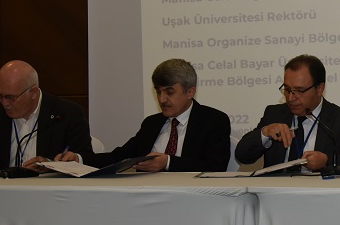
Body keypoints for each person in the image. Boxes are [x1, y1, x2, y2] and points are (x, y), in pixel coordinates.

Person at [58, 58, 230, 172]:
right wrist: (79, 159)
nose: (162, 99)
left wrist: (167, 162)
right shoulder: (152, 123)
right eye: (158, 92)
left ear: (190, 92)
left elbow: (216, 166)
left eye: (169, 92)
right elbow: (119, 157)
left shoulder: (213, 120)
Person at [0, 60, 92, 173]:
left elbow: (86, 158)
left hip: (50, 195)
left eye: (10, 97)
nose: (4, 103)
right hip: (3, 193)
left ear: (33, 93)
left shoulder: (67, 113)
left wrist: (50, 164)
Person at [235, 54, 340, 173]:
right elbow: (242, 156)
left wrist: (327, 160)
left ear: (319, 89)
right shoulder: (274, 114)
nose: (291, 98)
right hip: (276, 192)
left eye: (299, 91)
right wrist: (264, 133)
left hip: (318, 193)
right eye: (287, 89)